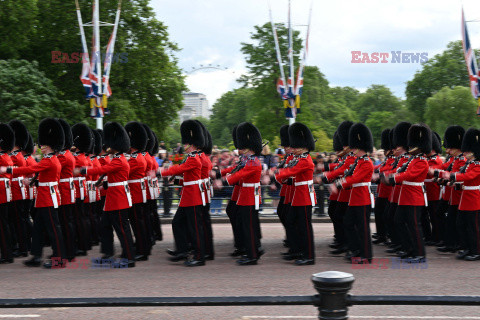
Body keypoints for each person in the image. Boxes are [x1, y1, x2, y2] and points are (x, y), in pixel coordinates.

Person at [1, 118, 66, 269]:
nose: (40, 147)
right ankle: (36, 256)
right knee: (37, 229)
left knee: (53, 229)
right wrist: (33, 181)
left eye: (43, 144)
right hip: (44, 198)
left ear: (49, 146)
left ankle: (59, 259)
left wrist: (9, 170)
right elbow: (41, 175)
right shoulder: (50, 159)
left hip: (48, 198)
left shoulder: (49, 160)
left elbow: (30, 169)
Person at [76, 122, 136, 268]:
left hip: (118, 199)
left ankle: (129, 257)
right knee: (105, 226)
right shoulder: (118, 159)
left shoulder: (119, 161)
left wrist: (83, 171)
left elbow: (103, 169)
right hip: (112, 198)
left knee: (122, 228)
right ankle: (108, 253)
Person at [158, 120, 206, 267]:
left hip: (193, 197)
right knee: (177, 223)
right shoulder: (191, 157)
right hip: (187, 196)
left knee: (195, 228)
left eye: (186, 144)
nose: (184, 146)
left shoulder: (194, 159)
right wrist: (176, 181)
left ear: (192, 144)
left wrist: (161, 172)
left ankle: (199, 256)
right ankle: (182, 250)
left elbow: (179, 169)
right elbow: (186, 177)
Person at [383, 124, 431, 263]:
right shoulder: (412, 159)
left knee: (415, 226)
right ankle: (409, 249)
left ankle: (420, 254)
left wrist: (392, 179)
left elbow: (410, 175)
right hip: (405, 196)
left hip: (414, 197)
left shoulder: (422, 161)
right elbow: (400, 171)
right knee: (399, 221)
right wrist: (388, 174)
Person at [329, 123, 374, 264]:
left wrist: (339, 183)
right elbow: (348, 174)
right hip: (354, 198)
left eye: (354, 147)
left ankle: (366, 255)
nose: (352, 149)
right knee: (348, 223)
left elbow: (356, 178)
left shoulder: (367, 163)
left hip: (362, 198)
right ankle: (355, 249)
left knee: (363, 229)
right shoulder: (358, 161)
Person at [275, 123, 316, 266]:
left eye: (297, 146)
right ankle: (298, 250)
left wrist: (276, 174)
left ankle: (309, 255)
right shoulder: (299, 158)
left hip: (304, 196)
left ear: (304, 146)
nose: (294, 148)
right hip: (297, 196)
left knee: (305, 227)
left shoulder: (305, 160)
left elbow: (290, 172)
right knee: (292, 222)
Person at [226, 122, 264, 265]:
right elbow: (237, 170)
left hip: (249, 196)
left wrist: (227, 179)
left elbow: (239, 174)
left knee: (248, 227)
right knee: (247, 225)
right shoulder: (248, 160)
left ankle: (252, 255)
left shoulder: (253, 162)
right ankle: (253, 251)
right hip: (245, 195)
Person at [442, 128, 480, 261]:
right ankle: (467, 248)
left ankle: (476, 250)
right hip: (465, 198)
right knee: (461, 225)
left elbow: (468, 176)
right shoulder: (469, 163)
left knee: (473, 227)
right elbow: (464, 179)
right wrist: (453, 183)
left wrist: (452, 175)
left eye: (469, 150)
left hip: (474, 199)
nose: (466, 152)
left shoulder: (477, 165)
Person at [435, 126, 466, 254]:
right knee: (451, 220)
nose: (447, 150)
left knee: (457, 221)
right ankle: (450, 243)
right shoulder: (454, 160)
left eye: (450, 147)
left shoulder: (462, 160)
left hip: (459, 196)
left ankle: (456, 243)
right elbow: (445, 170)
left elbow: (460, 176)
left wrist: (447, 179)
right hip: (452, 195)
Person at [125, 121, 150, 261]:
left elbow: (125, 173)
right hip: (137, 192)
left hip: (135, 193)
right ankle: (141, 247)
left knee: (137, 223)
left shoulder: (135, 160)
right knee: (138, 222)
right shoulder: (138, 157)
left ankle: (142, 250)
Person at [8, 120, 29, 258]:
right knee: (19, 219)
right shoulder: (18, 155)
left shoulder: (15, 156)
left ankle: (21, 247)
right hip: (17, 188)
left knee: (17, 220)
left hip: (16, 188)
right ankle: (22, 246)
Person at [56, 119, 77, 261]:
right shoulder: (67, 154)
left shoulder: (63, 157)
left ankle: (68, 253)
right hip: (67, 190)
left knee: (65, 222)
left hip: (64, 191)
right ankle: (69, 251)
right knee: (67, 222)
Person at [71, 123, 93, 256]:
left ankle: (81, 246)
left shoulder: (78, 159)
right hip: (81, 188)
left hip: (78, 189)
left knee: (78, 219)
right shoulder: (83, 157)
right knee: (81, 218)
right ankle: (84, 244)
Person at [0, 123, 15, 264]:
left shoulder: (3, 157)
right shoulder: (6, 156)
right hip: (5, 193)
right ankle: (6, 253)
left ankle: (6, 254)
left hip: (1, 193)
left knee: (3, 225)